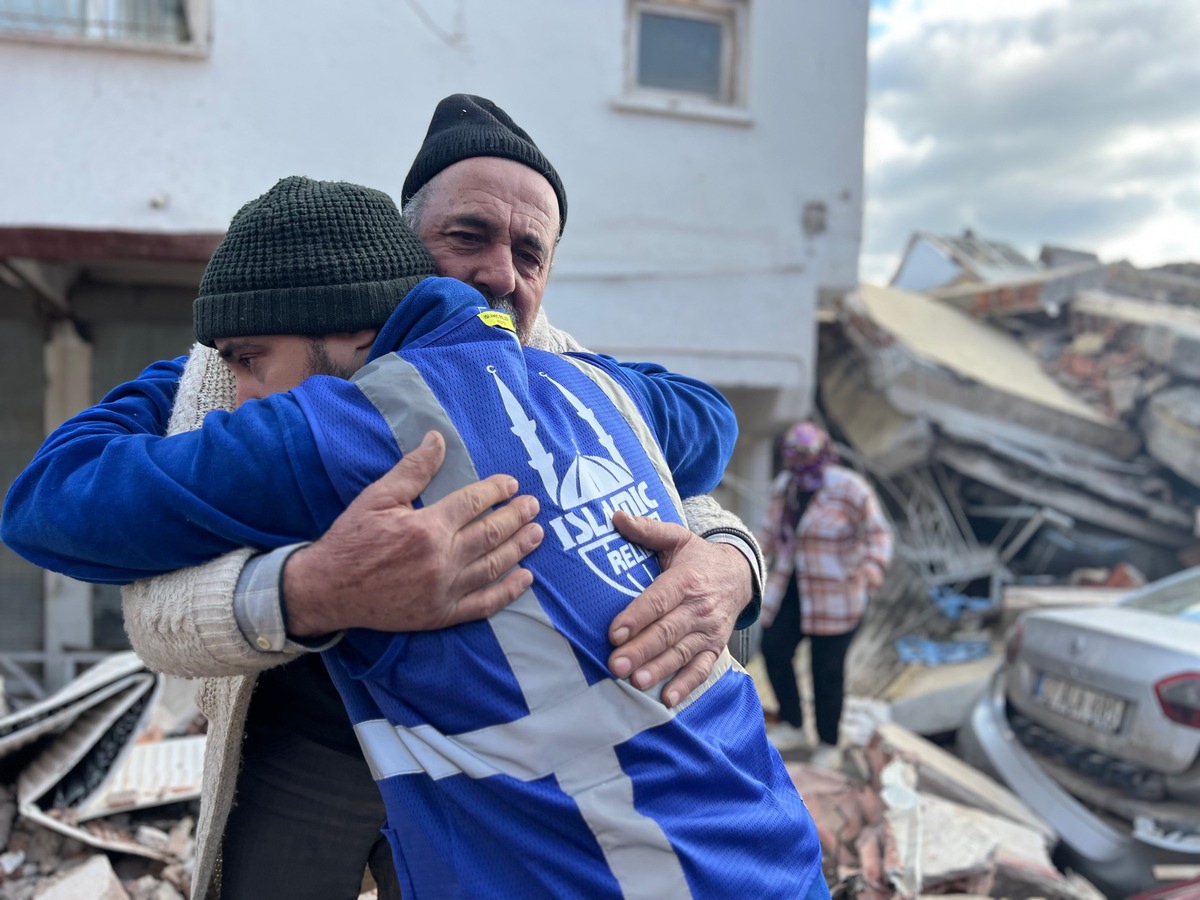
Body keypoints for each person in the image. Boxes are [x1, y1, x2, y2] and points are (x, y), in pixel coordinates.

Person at [4, 96, 766, 900]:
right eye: (467, 236)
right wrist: (312, 588)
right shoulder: (262, 380)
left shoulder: (561, 371)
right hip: (311, 750)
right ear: (399, 246)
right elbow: (66, 508)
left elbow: (697, 434)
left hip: (496, 770)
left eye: (531, 254)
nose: (500, 275)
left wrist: (731, 562)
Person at [759, 422, 893, 766]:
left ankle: (828, 742)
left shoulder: (850, 488)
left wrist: (872, 566)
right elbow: (769, 535)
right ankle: (792, 721)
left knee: (827, 671)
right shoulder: (785, 488)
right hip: (793, 586)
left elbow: (879, 533)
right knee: (773, 648)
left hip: (837, 593)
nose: (803, 468)